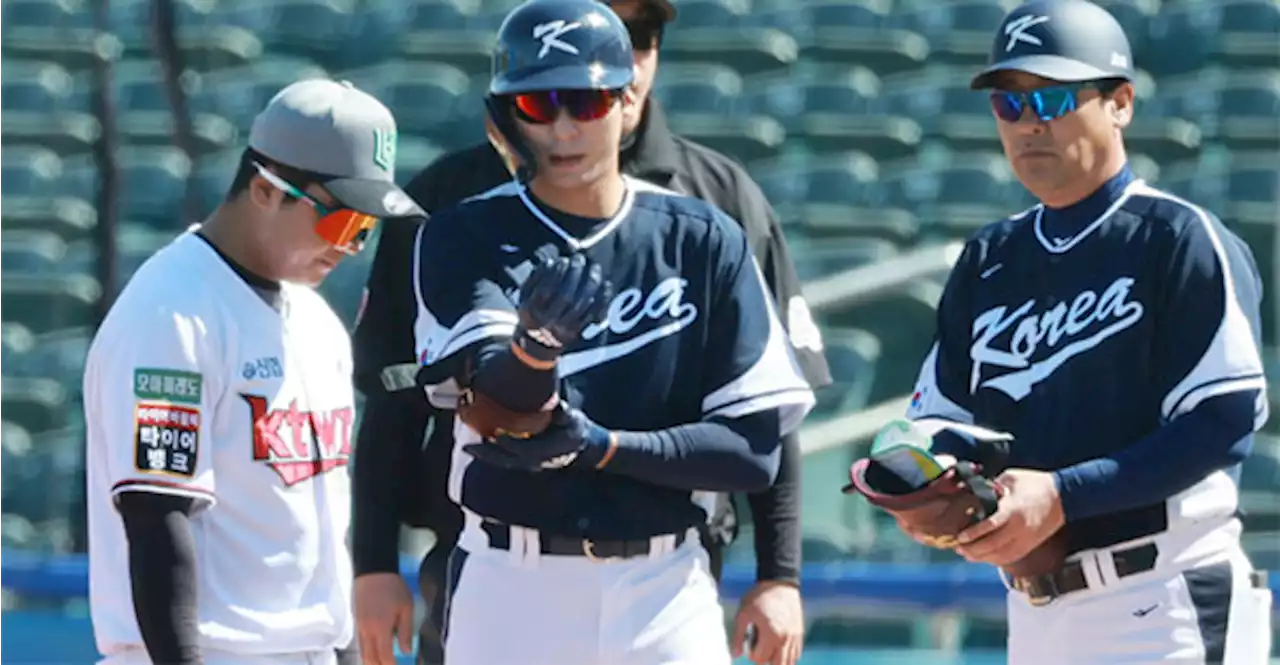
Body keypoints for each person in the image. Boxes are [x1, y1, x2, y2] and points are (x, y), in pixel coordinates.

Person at [350, 0, 830, 663]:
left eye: (587, 100)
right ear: (504, 115)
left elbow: (754, 446)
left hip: (669, 580)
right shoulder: (461, 227)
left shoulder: (708, 228)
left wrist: (606, 446)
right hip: (508, 574)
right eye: (540, 105)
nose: (566, 126)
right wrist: (535, 350)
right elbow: (491, 411)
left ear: (623, 94)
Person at [900, 0, 1273, 662]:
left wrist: (1065, 495)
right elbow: (942, 421)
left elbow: (1223, 418)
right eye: (1008, 104)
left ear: (1120, 103)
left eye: (1051, 98)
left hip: (1168, 601)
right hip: (1035, 609)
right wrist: (921, 481)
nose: (1027, 124)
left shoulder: (1178, 239)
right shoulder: (990, 258)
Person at [82, 78, 424, 665]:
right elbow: (157, 516)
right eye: (343, 223)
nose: (351, 247)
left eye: (366, 230)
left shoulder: (317, 322)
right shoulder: (170, 313)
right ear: (267, 190)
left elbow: (321, 527)